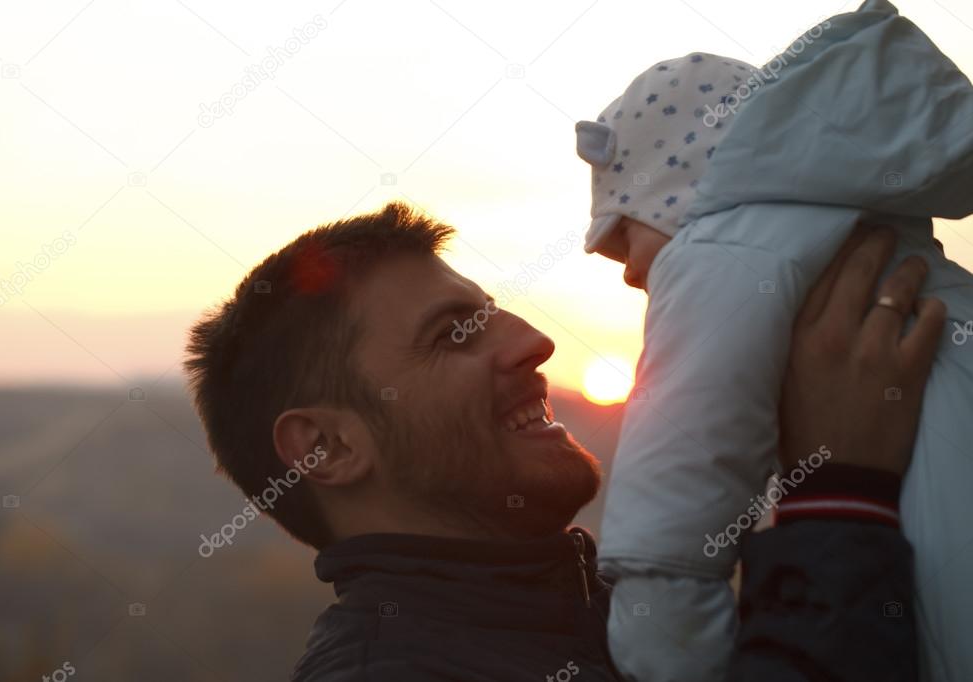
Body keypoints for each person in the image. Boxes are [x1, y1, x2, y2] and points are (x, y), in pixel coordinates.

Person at [183, 203, 942, 681]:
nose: (535, 343)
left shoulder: (616, 613)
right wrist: (839, 496)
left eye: (495, 314)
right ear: (326, 449)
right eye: (453, 336)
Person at [574, 1, 973, 679]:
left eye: (626, 237)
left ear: (679, 196)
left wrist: (663, 639)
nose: (632, 273)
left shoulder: (721, 248)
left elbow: (682, 466)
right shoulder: (910, 259)